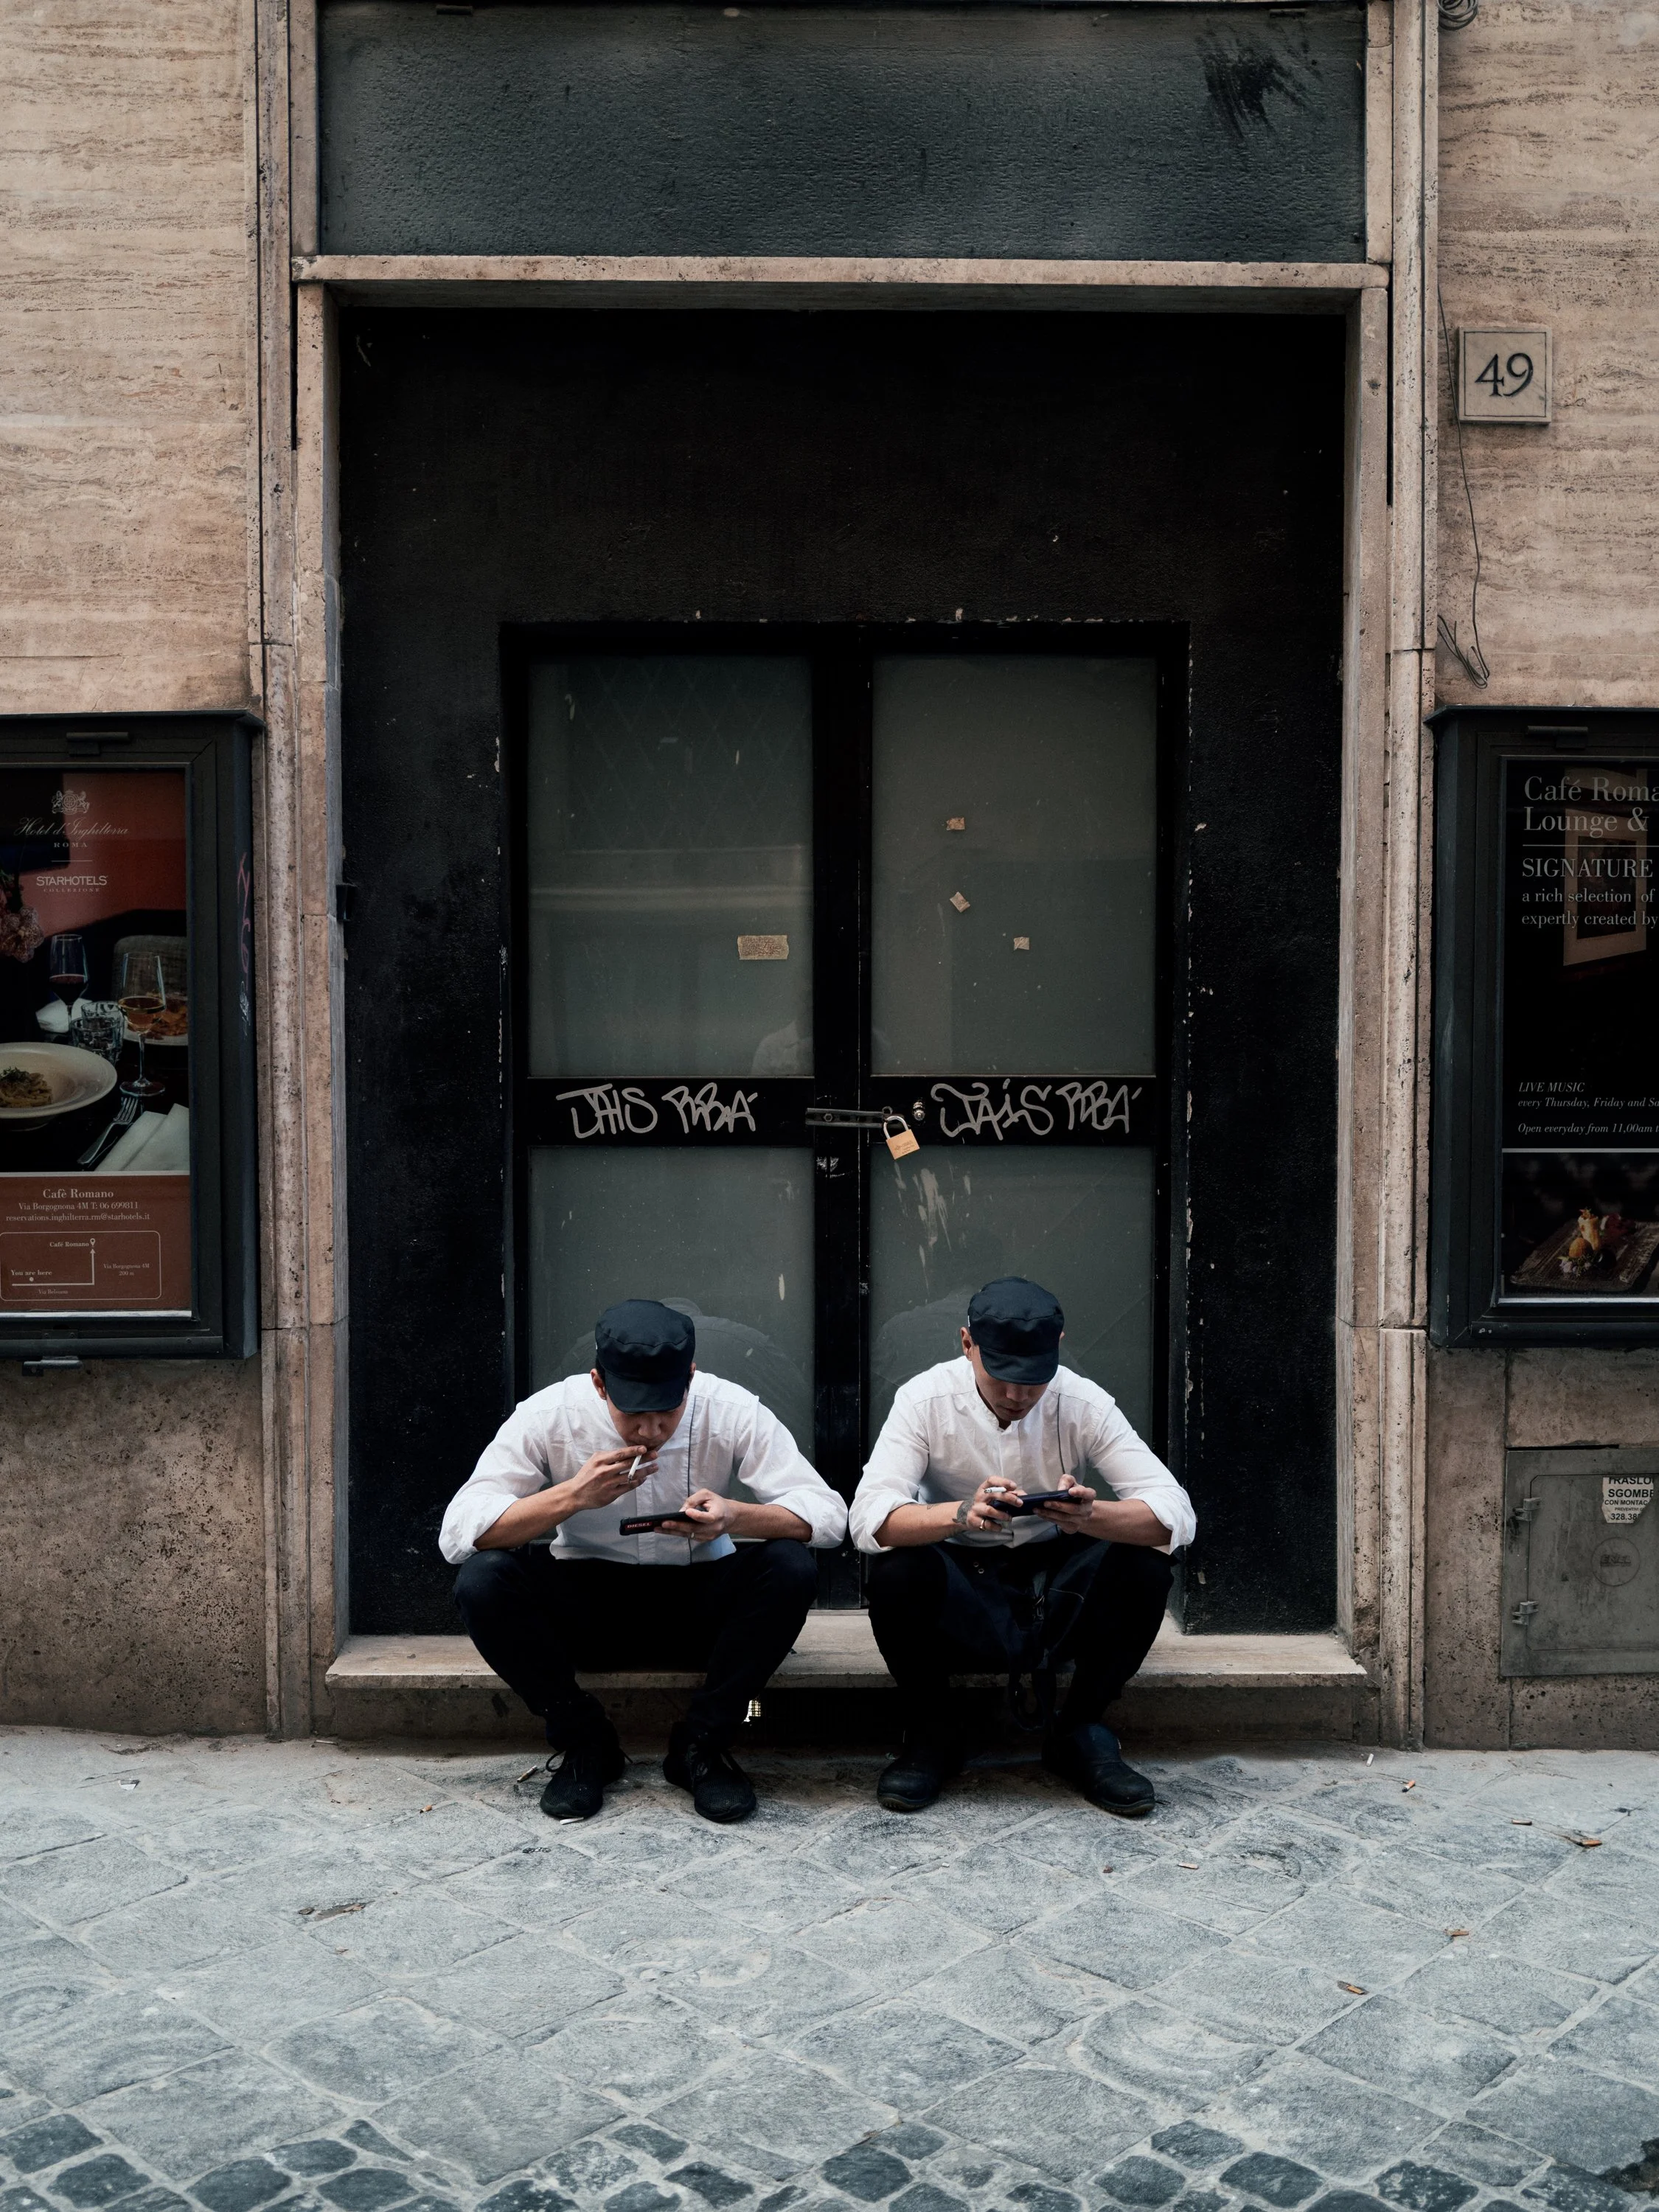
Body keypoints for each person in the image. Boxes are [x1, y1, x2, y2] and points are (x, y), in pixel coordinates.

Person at [442, 1299, 847, 1825]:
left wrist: (736, 1516)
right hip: (588, 1603)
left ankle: (702, 1745)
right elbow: (458, 1535)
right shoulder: (550, 1414)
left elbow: (830, 1517)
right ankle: (585, 1742)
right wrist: (570, 1498)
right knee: (482, 1581)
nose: (651, 1431)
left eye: (668, 1413)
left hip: (702, 1602)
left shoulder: (731, 1408)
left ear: (691, 1377)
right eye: (634, 1414)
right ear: (599, 1384)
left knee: (791, 1567)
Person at [850, 1276, 1195, 1819]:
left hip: (1054, 1582)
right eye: (1002, 1377)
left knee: (1145, 1564)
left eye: (1033, 1380)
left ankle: (1081, 1729)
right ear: (967, 1345)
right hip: (961, 1577)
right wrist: (958, 1513)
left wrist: (1091, 1515)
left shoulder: (1083, 1401)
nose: (1017, 1395)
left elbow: (1175, 1514)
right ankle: (934, 1730)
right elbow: (867, 1518)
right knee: (897, 1571)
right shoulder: (923, 1399)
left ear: (1056, 1349)